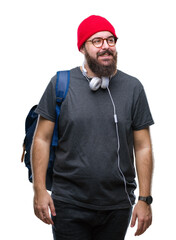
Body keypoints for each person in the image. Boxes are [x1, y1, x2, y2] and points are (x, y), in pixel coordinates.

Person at [31, 15, 154, 240]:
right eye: (96, 41)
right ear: (82, 48)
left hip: (117, 205)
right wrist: (39, 190)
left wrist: (144, 199)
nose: (106, 46)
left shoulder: (133, 87)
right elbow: (41, 139)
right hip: (68, 203)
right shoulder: (60, 84)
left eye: (111, 40)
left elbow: (143, 146)